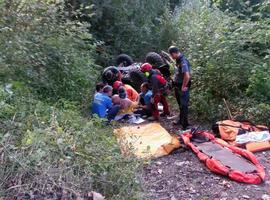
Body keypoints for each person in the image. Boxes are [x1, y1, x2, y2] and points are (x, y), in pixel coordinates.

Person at [168, 46, 191, 130]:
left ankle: (185, 125)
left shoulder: (183, 61)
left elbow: (187, 76)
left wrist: (183, 86)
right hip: (178, 86)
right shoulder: (178, 60)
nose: (171, 57)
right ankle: (181, 120)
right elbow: (178, 73)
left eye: (171, 55)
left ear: (173, 53)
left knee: (184, 105)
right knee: (180, 105)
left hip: (182, 87)